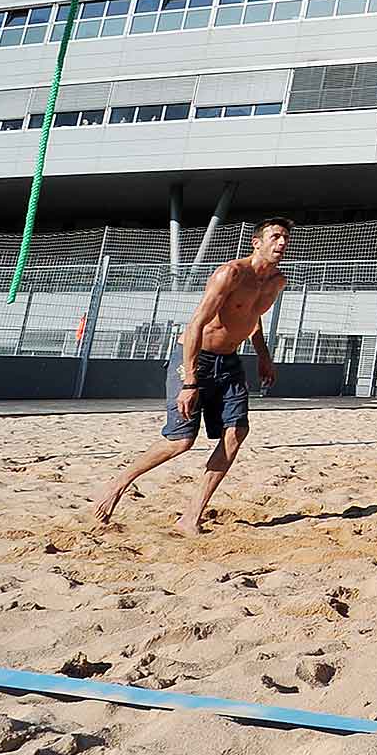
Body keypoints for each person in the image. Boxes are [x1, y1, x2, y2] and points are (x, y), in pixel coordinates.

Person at [91, 217, 290, 535]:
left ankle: (190, 517)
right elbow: (196, 324)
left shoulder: (276, 281)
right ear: (257, 242)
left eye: (285, 238)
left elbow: (252, 319)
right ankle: (119, 483)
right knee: (181, 441)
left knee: (236, 433)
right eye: (275, 237)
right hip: (196, 358)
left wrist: (264, 356)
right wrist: (189, 381)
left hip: (229, 363)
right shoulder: (232, 273)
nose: (281, 243)